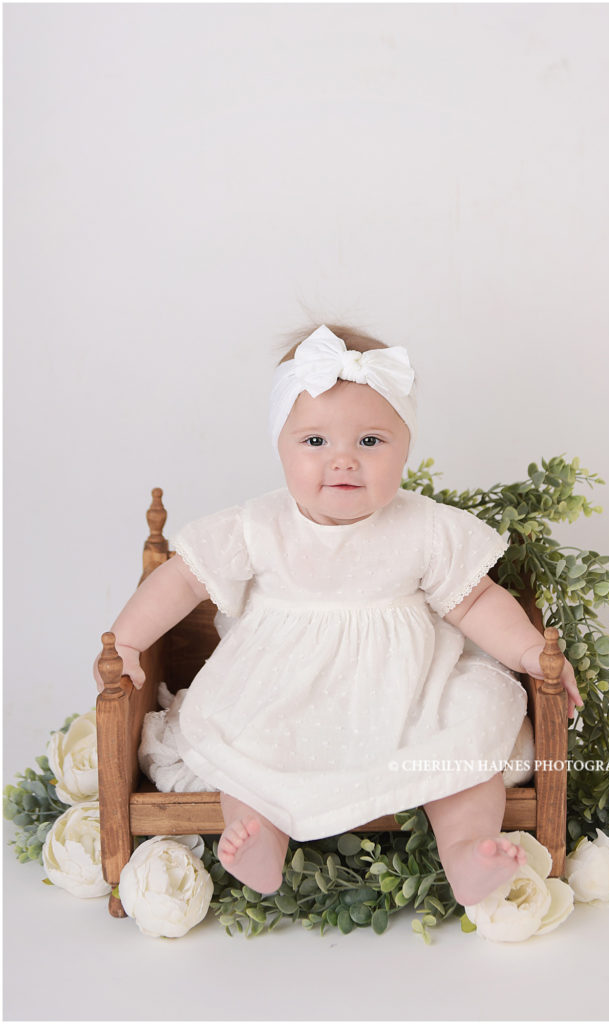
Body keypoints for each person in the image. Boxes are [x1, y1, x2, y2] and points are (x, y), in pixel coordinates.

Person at [94, 323, 581, 907]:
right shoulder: (257, 524)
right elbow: (178, 579)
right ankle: (258, 840)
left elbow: (473, 600)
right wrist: (124, 642)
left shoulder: (423, 526)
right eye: (316, 442)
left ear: (406, 446)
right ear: (280, 445)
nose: (344, 461)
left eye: (371, 442)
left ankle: (468, 848)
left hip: (407, 693)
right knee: (245, 754)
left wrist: (529, 652)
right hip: (280, 690)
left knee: (467, 738)